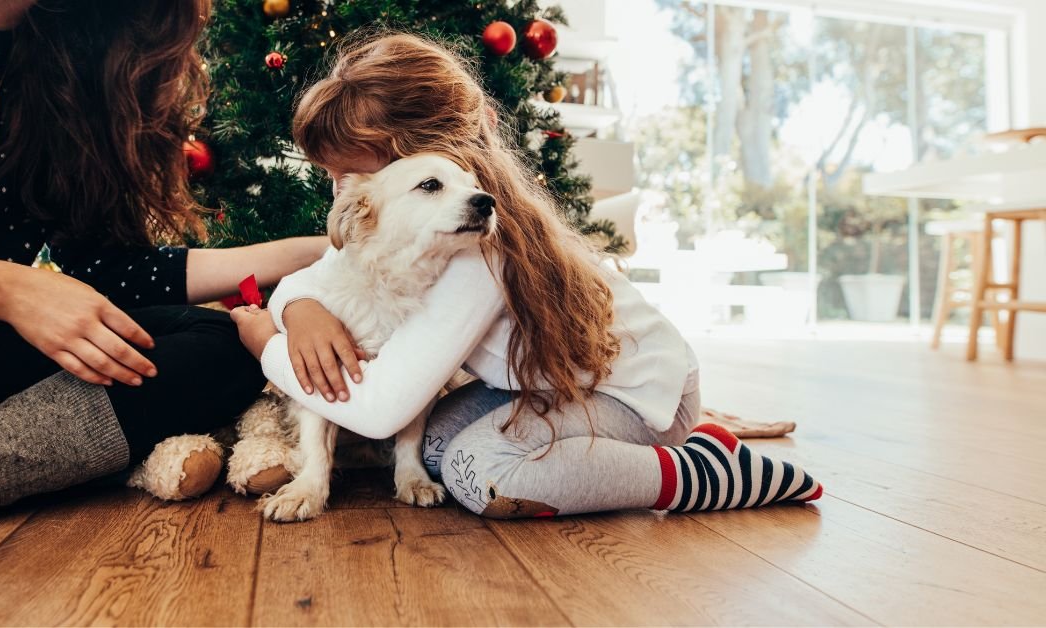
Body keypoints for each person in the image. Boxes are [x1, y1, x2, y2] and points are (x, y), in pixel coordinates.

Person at [231, 33, 822, 518]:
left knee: (478, 471)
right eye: (338, 180)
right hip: (542, 383)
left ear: (419, 158)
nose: (346, 193)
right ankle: (635, 450)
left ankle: (692, 471)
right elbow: (320, 274)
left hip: (633, 395)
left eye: (352, 174)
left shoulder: (475, 250)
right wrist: (296, 310)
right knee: (432, 451)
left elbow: (382, 411)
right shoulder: (410, 224)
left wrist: (267, 346)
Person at [0, 0, 327, 545]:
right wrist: (10, 290)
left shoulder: (75, 51)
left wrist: (307, 253)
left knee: (219, 343)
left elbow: (106, 268)